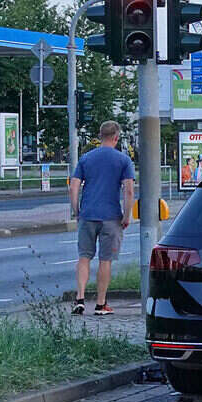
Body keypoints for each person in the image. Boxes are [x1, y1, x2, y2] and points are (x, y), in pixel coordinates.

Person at [69, 121, 135, 315]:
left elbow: (73, 187)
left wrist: (77, 211)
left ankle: (80, 299)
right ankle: (100, 304)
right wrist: (127, 214)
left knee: (84, 257)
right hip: (111, 217)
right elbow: (129, 191)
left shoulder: (86, 158)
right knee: (105, 260)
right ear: (116, 137)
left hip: (87, 215)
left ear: (100, 136)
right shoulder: (123, 160)